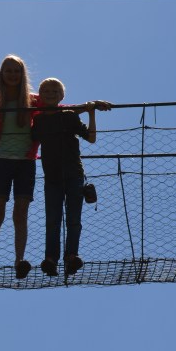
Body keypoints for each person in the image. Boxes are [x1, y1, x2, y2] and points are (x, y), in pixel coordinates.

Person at [31, 77, 112, 278]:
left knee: (73, 219)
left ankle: (71, 255)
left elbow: (91, 138)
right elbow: (30, 138)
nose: (50, 94)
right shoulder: (38, 119)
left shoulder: (69, 116)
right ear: (39, 96)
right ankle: (51, 258)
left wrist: (91, 112)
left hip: (74, 174)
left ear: (62, 96)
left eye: (54, 91)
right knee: (53, 220)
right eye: (46, 92)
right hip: (52, 177)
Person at [0, 55, 39, 280]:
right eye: (9, 71)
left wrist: (86, 108)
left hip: (26, 162)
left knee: (20, 213)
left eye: (17, 71)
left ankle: (19, 260)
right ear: (2, 75)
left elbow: (58, 107)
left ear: (22, 75)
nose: (13, 75)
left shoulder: (33, 101)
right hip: (2, 160)